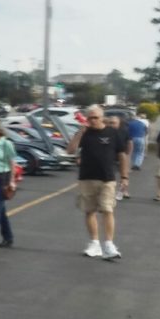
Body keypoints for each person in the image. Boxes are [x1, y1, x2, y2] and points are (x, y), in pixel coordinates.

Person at [66, 105, 128, 260]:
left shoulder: (113, 133)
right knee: (89, 210)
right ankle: (94, 243)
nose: (92, 120)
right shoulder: (84, 133)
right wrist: (80, 132)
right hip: (87, 177)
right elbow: (70, 150)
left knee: (107, 210)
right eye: (90, 118)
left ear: (102, 118)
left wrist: (125, 176)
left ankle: (109, 244)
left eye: (95, 117)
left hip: (107, 178)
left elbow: (122, 155)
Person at [106, 115, 133, 199]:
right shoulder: (105, 132)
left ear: (119, 124)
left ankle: (123, 191)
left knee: (124, 175)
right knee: (111, 175)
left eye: (114, 123)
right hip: (110, 159)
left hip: (123, 157)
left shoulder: (124, 132)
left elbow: (130, 143)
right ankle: (110, 191)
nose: (111, 125)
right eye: (110, 123)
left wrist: (128, 155)